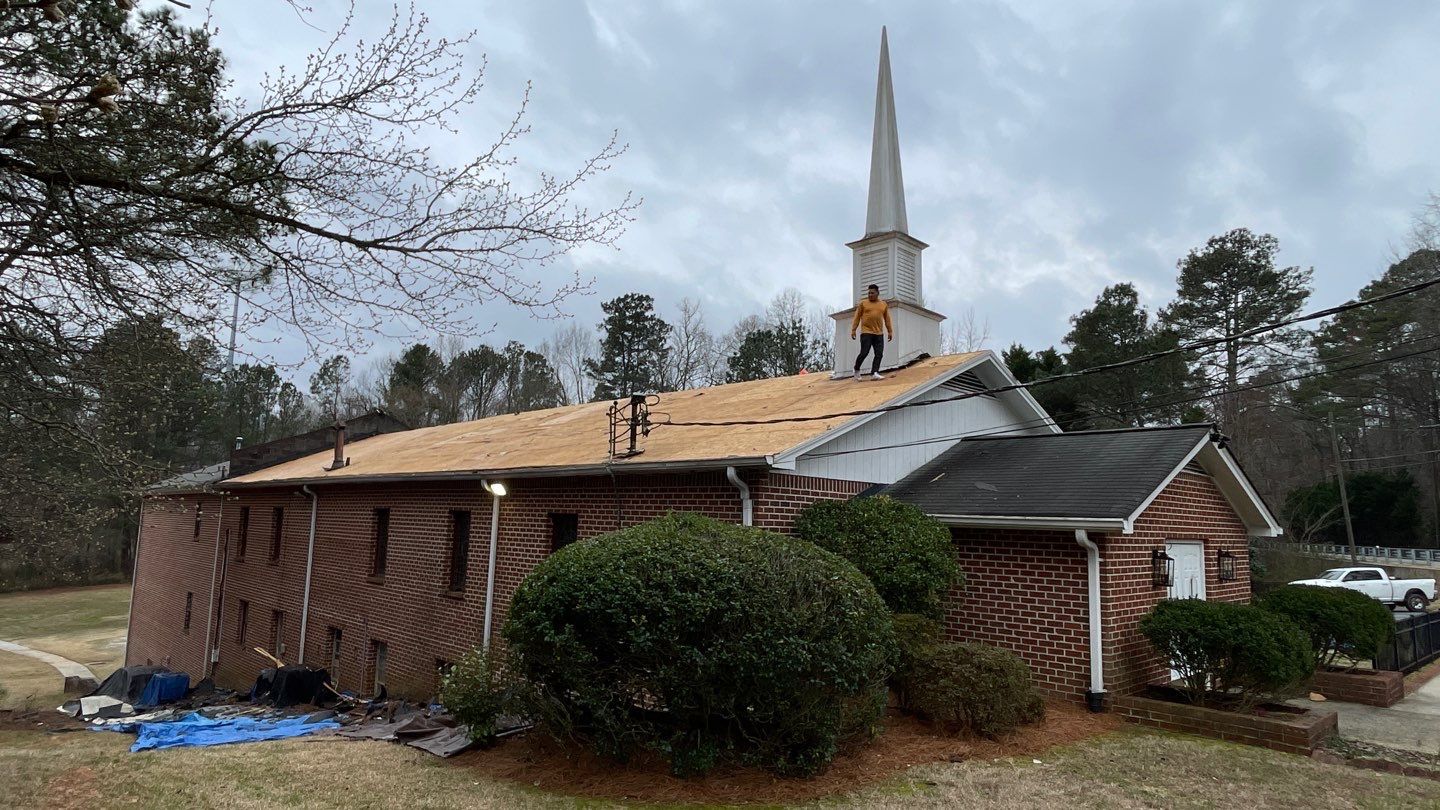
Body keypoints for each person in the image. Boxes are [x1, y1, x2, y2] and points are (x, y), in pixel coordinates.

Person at [849, 284, 893, 380]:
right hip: (866, 332)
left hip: (879, 333)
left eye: (872, 293)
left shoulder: (883, 304)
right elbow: (857, 317)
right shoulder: (863, 303)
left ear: (877, 293)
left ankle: (874, 373)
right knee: (864, 352)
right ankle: (856, 369)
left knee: (879, 354)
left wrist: (890, 331)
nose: (870, 295)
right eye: (869, 293)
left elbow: (887, 319)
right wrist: (853, 330)